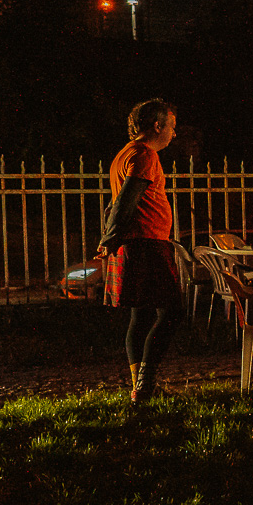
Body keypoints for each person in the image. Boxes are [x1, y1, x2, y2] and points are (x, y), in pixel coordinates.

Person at [96, 98, 181, 403]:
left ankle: (140, 388)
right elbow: (126, 200)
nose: (174, 132)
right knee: (173, 312)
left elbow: (118, 201)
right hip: (145, 244)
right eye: (171, 125)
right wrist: (109, 238)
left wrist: (111, 238)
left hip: (136, 243)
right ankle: (146, 381)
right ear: (157, 125)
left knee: (141, 316)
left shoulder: (125, 154)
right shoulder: (144, 155)